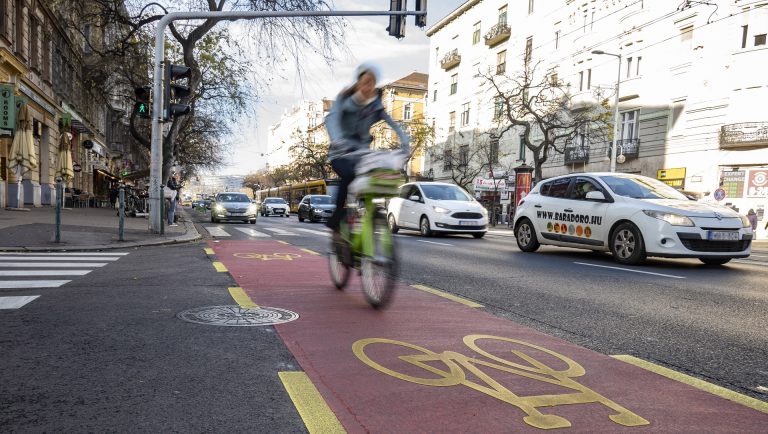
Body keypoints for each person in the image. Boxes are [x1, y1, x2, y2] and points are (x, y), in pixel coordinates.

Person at [324, 62, 410, 237]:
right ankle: (337, 216)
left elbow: (394, 124)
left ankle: (366, 216)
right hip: (340, 152)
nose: (368, 86)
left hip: (361, 154)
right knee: (349, 175)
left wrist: (405, 144)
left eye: (371, 83)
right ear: (358, 84)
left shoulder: (375, 106)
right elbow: (331, 119)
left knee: (375, 178)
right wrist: (337, 139)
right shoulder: (345, 100)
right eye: (365, 82)